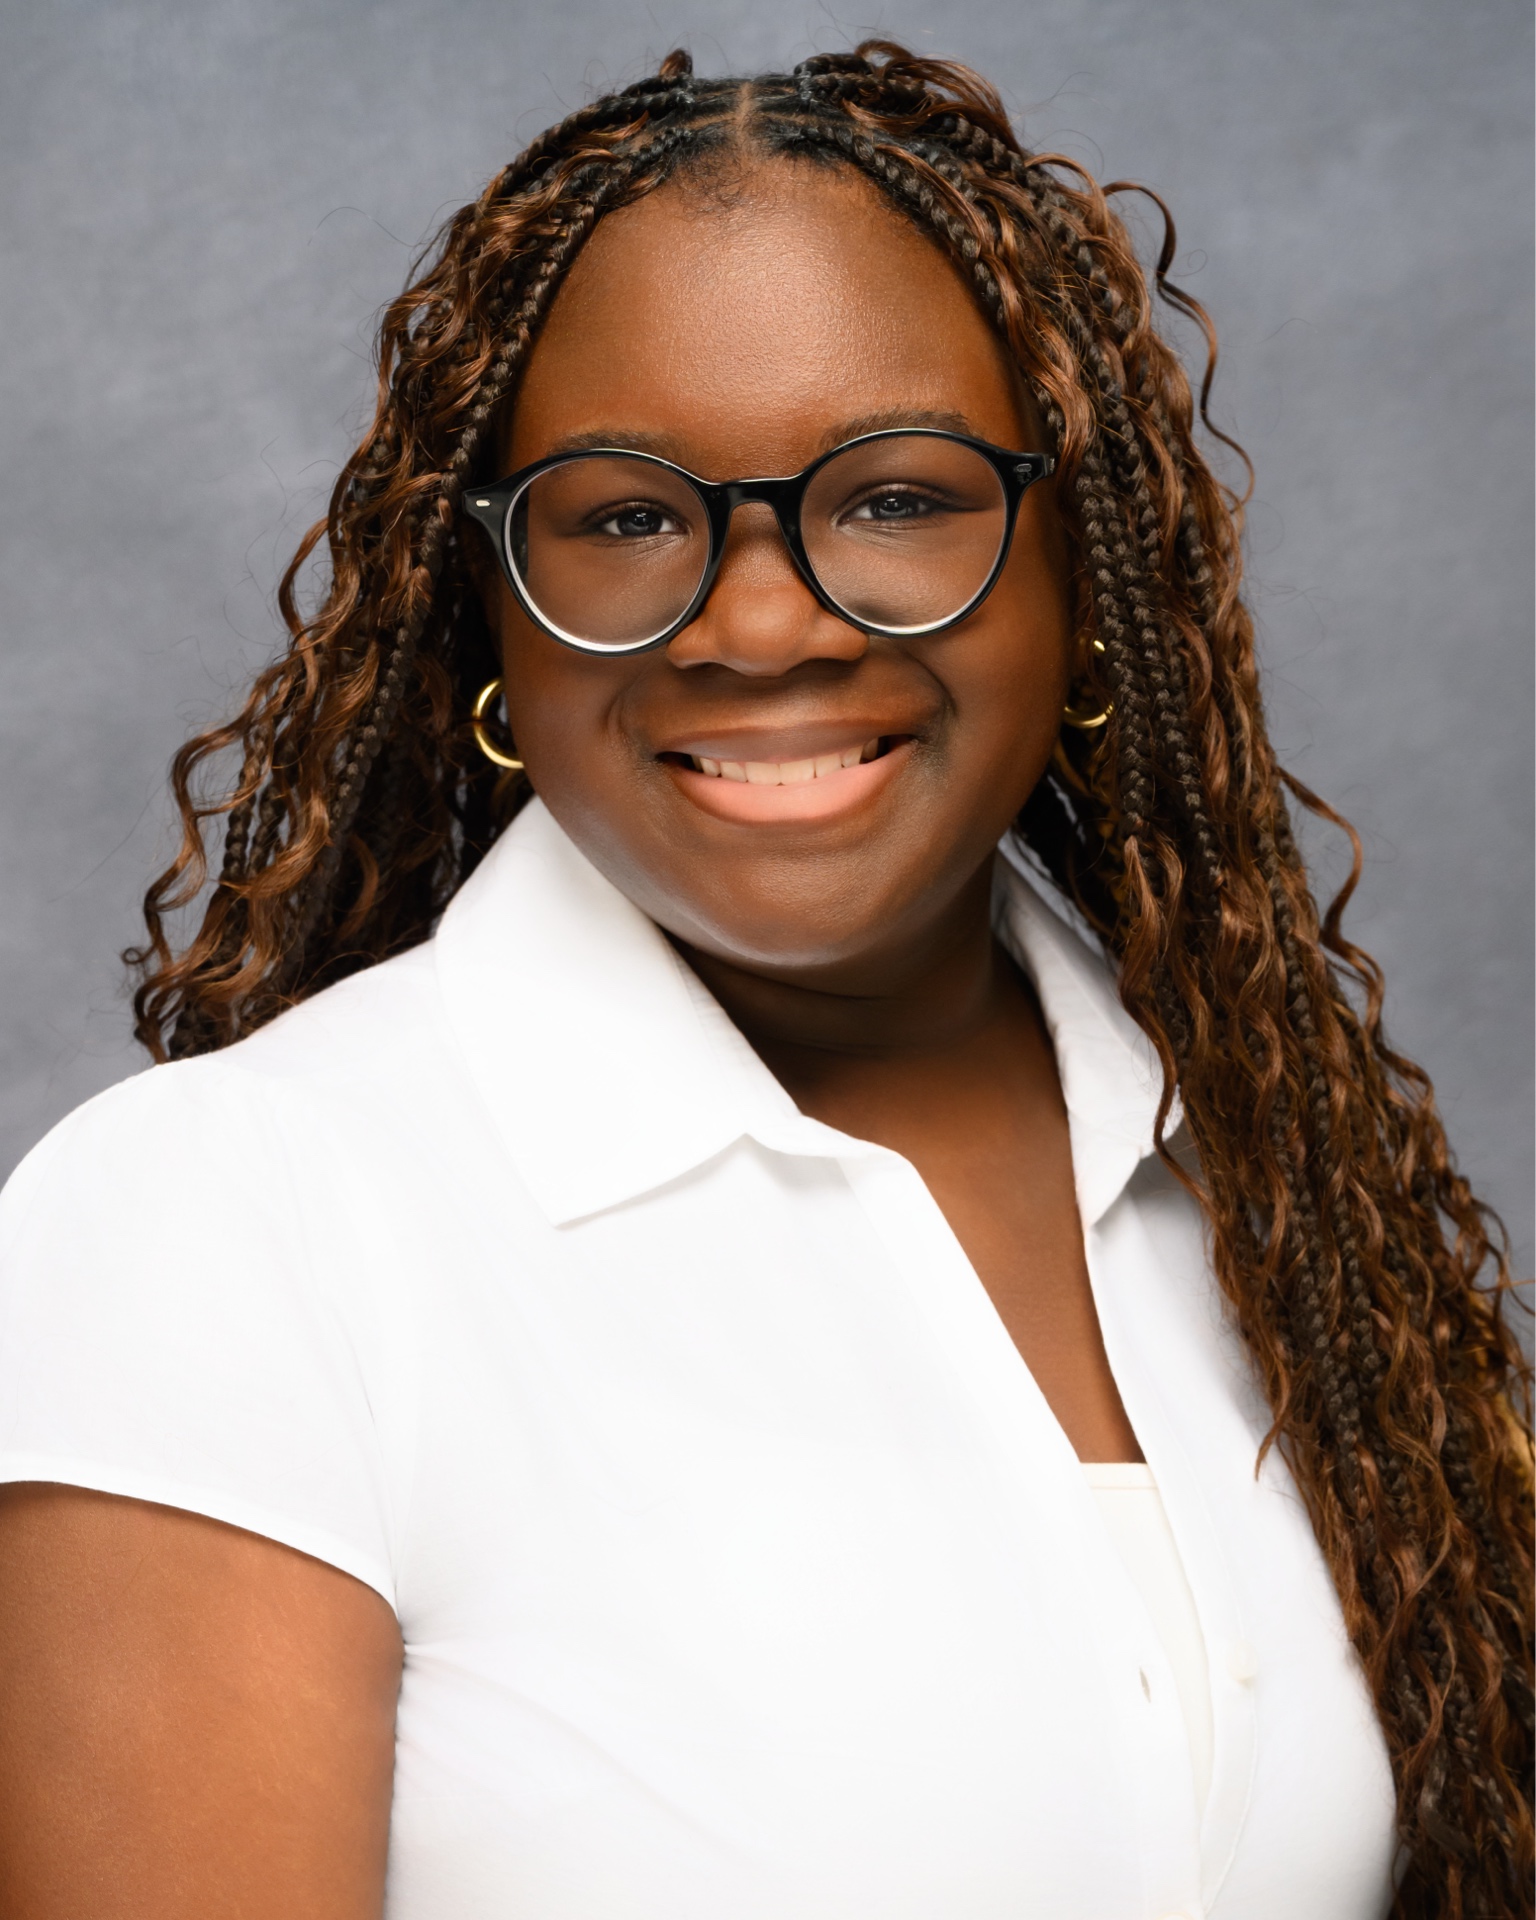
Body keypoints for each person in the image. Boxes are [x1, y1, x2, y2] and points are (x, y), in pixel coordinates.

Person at [0, 42, 1528, 1920]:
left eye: (894, 495)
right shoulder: (235, 1222)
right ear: (485, 601)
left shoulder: (1260, 1177)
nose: (761, 622)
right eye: (628, 516)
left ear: (1086, 569)